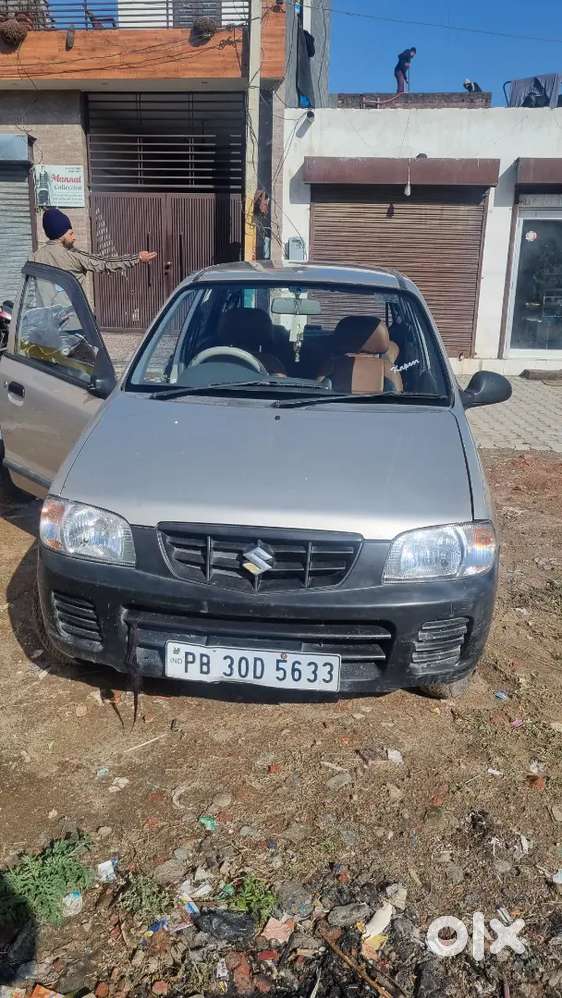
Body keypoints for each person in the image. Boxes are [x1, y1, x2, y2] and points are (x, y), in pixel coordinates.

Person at [32, 207, 157, 289]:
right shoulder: (74, 255)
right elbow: (105, 262)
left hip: (47, 324)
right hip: (74, 321)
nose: (74, 237)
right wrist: (137, 257)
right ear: (61, 235)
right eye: (71, 233)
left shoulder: (34, 258)